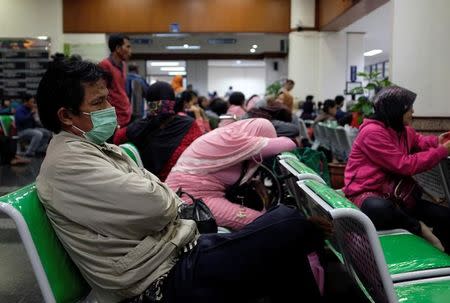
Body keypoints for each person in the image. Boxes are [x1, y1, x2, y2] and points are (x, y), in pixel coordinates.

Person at [35, 59, 327, 303]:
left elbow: (158, 196)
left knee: (286, 244)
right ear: (66, 115)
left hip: (172, 254)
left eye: (107, 98)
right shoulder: (69, 163)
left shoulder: (97, 149)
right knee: (287, 223)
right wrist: (162, 203)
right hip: (155, 281)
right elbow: (157, 206)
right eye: (99, 102)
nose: (110, 108)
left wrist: (162, 201)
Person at [343, 86, 450, 252]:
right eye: (409, 108)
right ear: (396, 110)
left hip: (397, 197)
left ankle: (442, 260)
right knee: (380, 209)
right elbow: (405, 165)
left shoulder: (403, 130)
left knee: (445, 217)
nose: (413, 111)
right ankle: (420, 229)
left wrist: (437, 141)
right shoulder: (372, 133)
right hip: (367, 193)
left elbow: (420, 142)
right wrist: (443, 151)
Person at [166, 118, 298, 230]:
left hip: (185, 193)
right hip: (190, 199)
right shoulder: (235, 140)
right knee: (264, 223)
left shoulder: (225, 134)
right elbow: (289, 144)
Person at [113, 81, 203, 181]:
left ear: (148, 103)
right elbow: (200, 150)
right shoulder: (189, 124)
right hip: (185, 182)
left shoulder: (137, 127)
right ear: (173, 101)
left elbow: (116, 139)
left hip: (150, 184)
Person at [99, 34, 132, 127]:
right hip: (112, 118)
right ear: (118, 48)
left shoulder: (124, 65)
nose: (130, 51)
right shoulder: (105, 65)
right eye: (127, 47)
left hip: (125, 114)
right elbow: (101, 93)